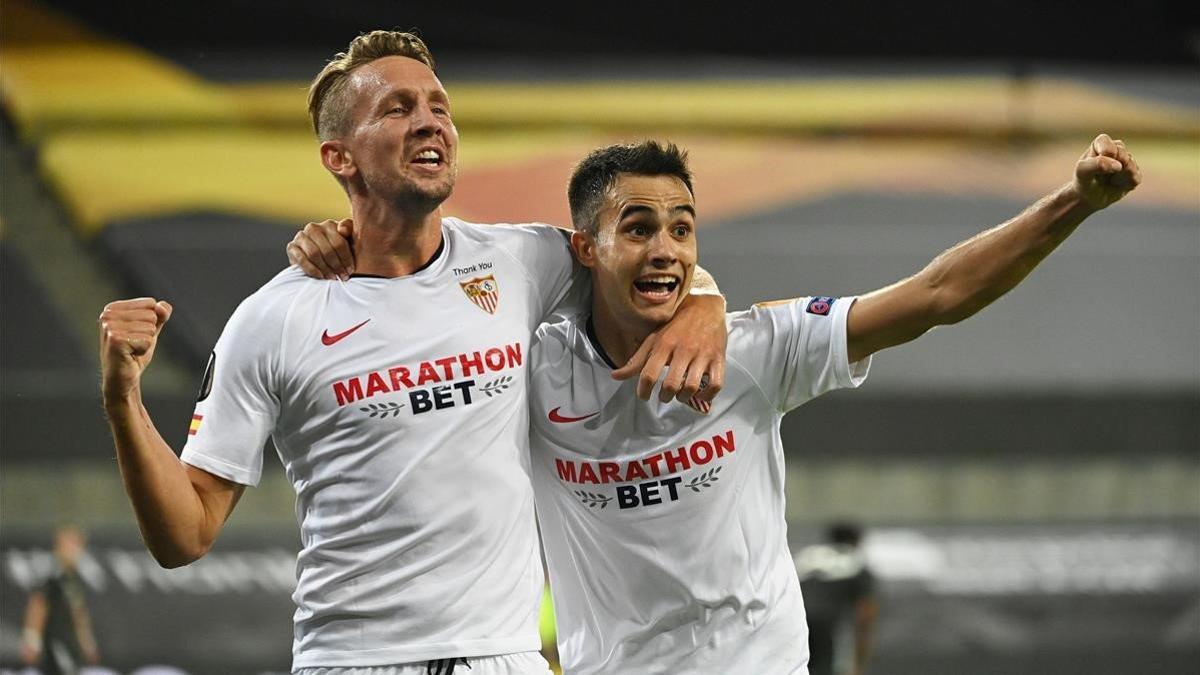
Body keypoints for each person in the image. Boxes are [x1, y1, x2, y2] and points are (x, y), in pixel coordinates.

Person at [289, 137, 1139, 675]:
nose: (665, 247)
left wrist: (1075, 203)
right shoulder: (529, 370)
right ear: (586, 248)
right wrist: (349, 250)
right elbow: (424, 316)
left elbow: (940, 292)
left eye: (684, 229)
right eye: (639, 227)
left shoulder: (758, 347)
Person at [97, 32, 728, 674]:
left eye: (438, 107)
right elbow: (184, 534)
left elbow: (645, 262)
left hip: (503, 658)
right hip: (353, 660)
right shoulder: (273, 319)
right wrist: (123, 400)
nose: (430, 122)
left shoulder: (520, 261)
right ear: (339, 156)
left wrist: (706, 304)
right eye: (398, 109)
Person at [795, 523, 878, 675]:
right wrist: (859, 663)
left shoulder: (808, 556)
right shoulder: (856, 562)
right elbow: (865, 613)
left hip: (795, 621)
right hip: (828, 627)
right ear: (857, 542)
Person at [20, 525, 100, 675]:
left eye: (79, 545)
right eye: (72, 544)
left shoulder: (72, 577)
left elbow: (77, 611)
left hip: (70, 643)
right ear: (59, 546)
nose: (76, 550)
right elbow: (38, 604)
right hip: (55, 643)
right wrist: (32, 639)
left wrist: (86, 641)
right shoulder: (51, 574)